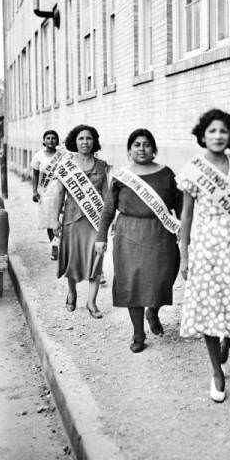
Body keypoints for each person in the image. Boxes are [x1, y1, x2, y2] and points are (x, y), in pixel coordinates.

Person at [177, 109, 230, 403]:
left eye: (223, 131)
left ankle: (227, 345)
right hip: (207, 247)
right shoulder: (193, 169)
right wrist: (184, 255)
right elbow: (185, 216)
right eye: (212, 131)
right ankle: (216, 371)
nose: (217, 136)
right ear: (202, 135)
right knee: (209, 309)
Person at [95, 129, 181, 353]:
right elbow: (108, 210)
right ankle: (138, 333)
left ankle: (153, 311)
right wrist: (101, 237)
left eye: (146, 144)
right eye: (136, 144)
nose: (141, 148)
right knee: (132, 284)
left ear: (154, 150)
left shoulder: (167, 174)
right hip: (129, 234)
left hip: (160, 234)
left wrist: (186, 231)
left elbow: (181, 207)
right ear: (129, 150)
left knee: (163, 279)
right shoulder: (122, 177)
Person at [49, 124, 109, 318]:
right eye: (81, 138)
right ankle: (72, 292)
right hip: (71, 220)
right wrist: (54, 219)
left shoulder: (102, 165)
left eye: (89, 138)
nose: (85, 142)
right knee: (73, 261)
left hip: (95, 221)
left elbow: (107, 196)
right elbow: (58, 193)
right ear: (75, 141)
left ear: (94, 141)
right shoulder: (66, 165)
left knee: (96, 261)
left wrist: (109, 221)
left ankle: (91, 302)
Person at [31, 129, 62, 260]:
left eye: (53, 138)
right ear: (44, 141)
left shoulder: (62, 155)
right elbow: (35, 174)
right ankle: (55, 246)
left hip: (60, 189)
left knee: (60, 218)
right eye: (48, 138)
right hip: (45, 191)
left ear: (57, 141)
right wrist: (34, 191)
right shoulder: (38, 156)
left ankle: (62, 245)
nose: (51, 140)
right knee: (50, 220)